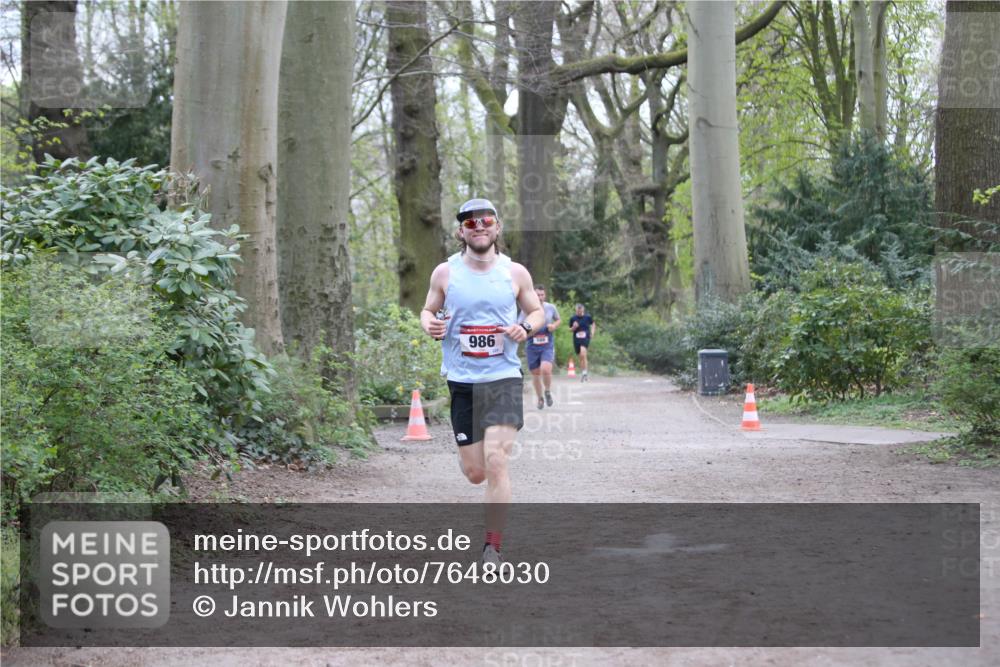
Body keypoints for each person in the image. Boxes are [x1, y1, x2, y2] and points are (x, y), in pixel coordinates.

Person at [420, 198, 544, 567]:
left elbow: (535, 311)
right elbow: (427, 311)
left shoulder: (515, 273)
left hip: (502, 377)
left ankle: (493, 547)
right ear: (461, 232)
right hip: (461, 381)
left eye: (485, 220)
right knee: (476, 472)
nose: (479, 227)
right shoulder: (444, 273)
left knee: (496, 460)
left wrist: (524, 327)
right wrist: (429, 324)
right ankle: (471, 462)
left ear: (497, 227)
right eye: (470, 223)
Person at [518, 285, 560, 409]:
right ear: (533, 296)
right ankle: (540, 398)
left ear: (545, 295)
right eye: (538, 295)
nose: (540, 297)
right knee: (536, 374)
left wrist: (554, 326)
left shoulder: (551, 307)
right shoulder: (526, 310)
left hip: (547, 344)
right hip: (532, 345)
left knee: (546, 369)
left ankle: (547, 391)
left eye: (542, 295)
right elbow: (519, 324)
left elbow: (558, 320)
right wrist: (528, 329)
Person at [568, 303, 595, 381]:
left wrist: (592, 333)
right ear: (576, 310)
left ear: (583, 310)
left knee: (583, 354)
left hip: (585, 337)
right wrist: (574, 327)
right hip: (576, 339)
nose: (579, 312)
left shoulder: (587, 317)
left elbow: (593, 324)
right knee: (581, 357)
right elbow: (569, 330)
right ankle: (584, 373)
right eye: (577, 311)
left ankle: (585, 373)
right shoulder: (573, 318)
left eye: (580, 311)